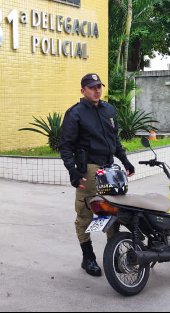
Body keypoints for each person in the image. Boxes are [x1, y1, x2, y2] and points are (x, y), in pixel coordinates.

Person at [59, 73, 135, 277]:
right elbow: (65, 146)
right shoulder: (75, 113)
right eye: (92, 87)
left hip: (110, 170)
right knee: (85, 215)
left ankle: (114, 257)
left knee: (113, 214)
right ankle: (88, 258)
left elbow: (115, 140)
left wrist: (125, 160)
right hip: (90, 170)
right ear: (83, 91)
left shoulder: (108, 109)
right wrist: (73, 172)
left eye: (99, 87)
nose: (97, 90)